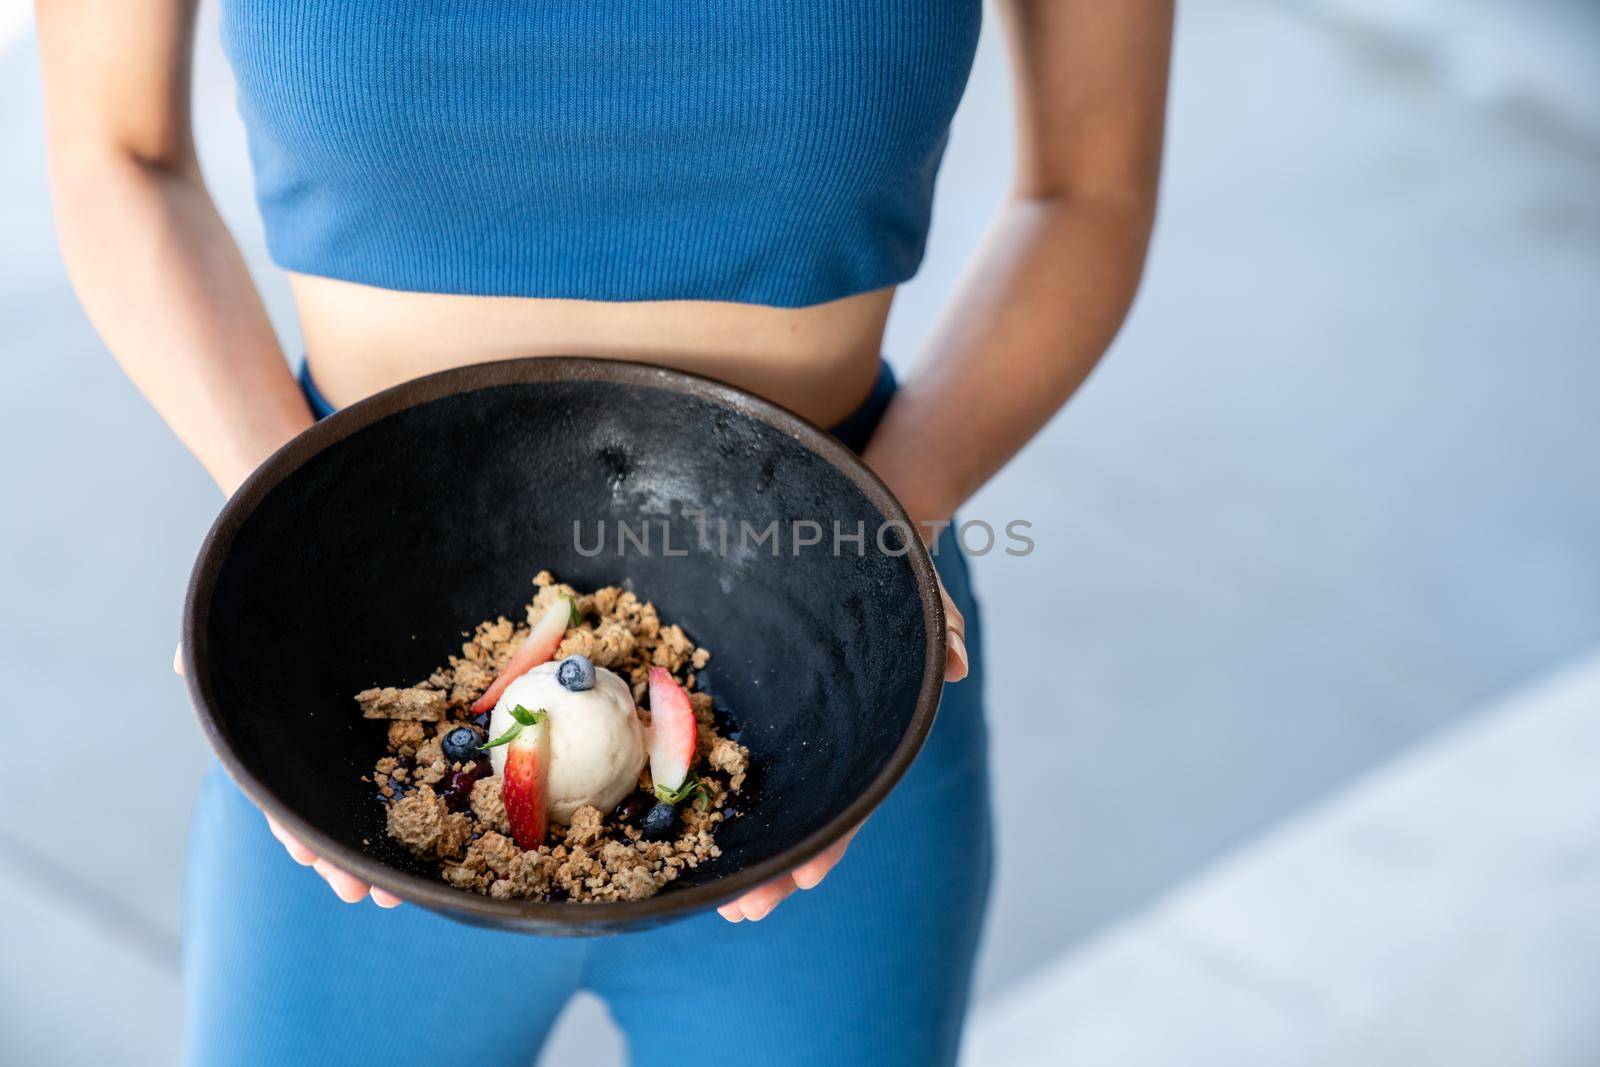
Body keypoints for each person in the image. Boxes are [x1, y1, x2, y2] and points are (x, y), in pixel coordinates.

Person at [37, 2, 1172, 1063]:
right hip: (356, 693)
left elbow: (1086, 191)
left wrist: (891, 531)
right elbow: (115, 154)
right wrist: (277, 527)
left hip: (827, 667)